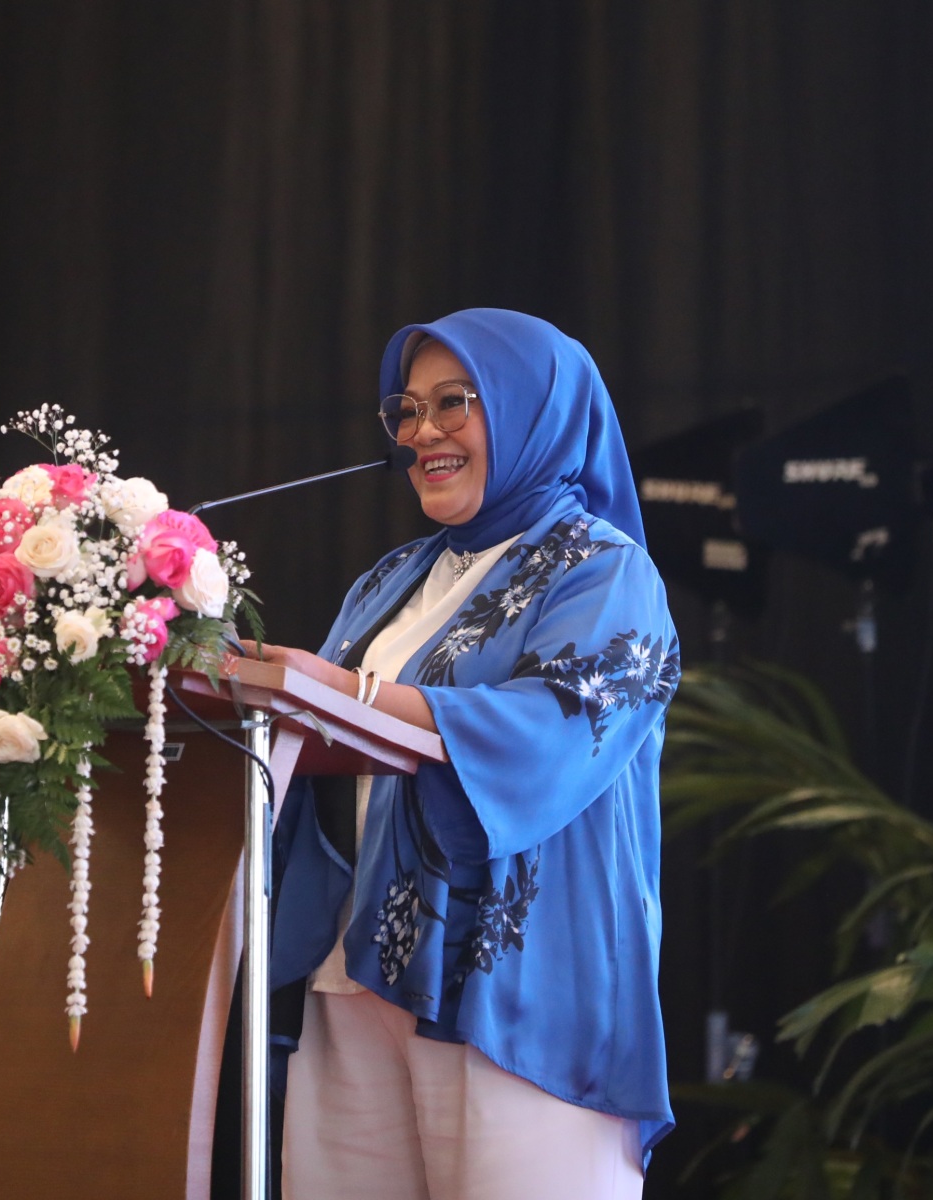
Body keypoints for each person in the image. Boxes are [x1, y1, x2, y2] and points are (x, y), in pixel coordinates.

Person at [245, 308, 678, 1199]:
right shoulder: (392, 578)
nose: (422, 433)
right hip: (356, 966)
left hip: (518, 982)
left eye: (454, 402)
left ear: (533, 409)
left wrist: (349, 691)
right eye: (406, 410)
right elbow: (321, 737)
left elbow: (552, 727)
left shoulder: (603, 569)